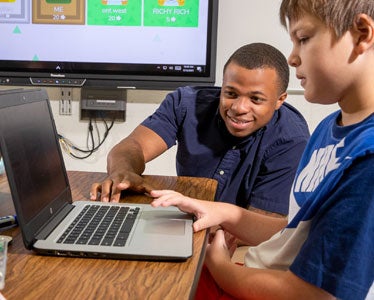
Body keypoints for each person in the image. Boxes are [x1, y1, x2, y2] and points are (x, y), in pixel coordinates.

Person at [150, 0, 374, 299]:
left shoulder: (367, 159)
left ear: (361, 33)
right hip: (247, 270)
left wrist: (218, 265)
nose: (293, 58)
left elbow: (308, 294)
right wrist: (224, 213)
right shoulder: (330, 128)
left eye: (304, 39)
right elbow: (292, 236)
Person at [90, 43, 310, 224]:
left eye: (256, 99)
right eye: (231, 93)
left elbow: (263, 226)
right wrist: (123, 172)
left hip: (237, 244)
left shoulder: (291, 138)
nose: (239, 108)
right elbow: (132, 146)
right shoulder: (184, 103)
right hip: (182, 223)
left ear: (280, 100)